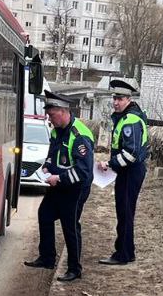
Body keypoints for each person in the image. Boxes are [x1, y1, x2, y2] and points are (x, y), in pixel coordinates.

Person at [23, 90, 95, 283]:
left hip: (75, 188)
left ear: (63, 112)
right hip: (58, 185)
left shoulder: (79, 135)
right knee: (44, 214)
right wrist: (46, 167)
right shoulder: (56, 130)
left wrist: (59, 178)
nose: (50, 119)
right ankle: (47, 258)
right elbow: (52, 154)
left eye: (52, 115)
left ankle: (74, 269)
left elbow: (83, 171)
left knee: (70, 226)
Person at [97, 77, 150, 265]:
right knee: (125, 212)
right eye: (114, 98)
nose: (116, 102)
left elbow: (131, 154)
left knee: (125, 213)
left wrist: (110, 165)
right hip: (129, 172)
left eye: (120, 99)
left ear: (128, 99)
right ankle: (128, 251)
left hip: (131, 172)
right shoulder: (126, 118)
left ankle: (123, 255)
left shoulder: (131, 121)